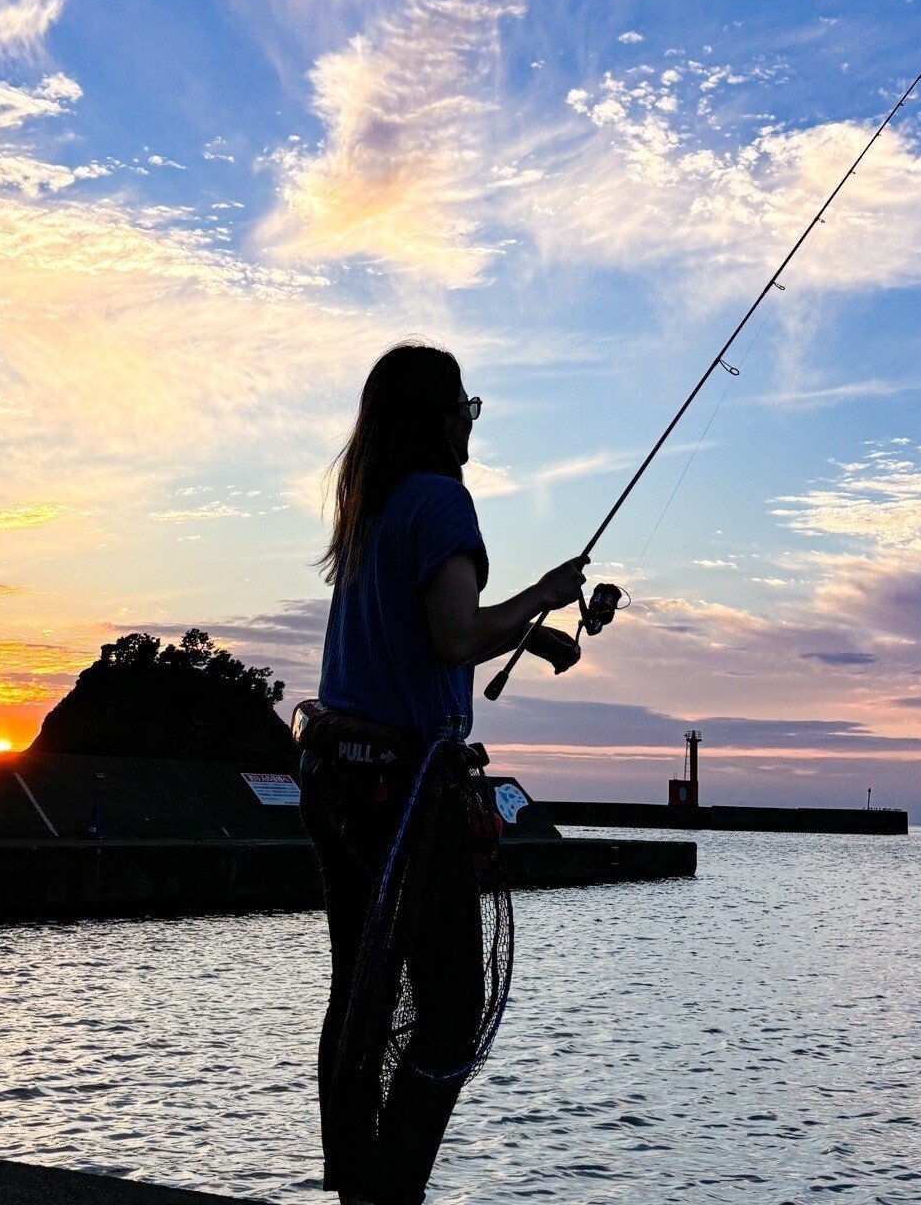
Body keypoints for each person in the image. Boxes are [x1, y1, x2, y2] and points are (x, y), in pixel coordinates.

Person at [298, 341, 586, 1205]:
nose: (470, 418)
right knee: (452, 1011)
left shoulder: (371, 513)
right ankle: (391, 1193)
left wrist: (524, 632)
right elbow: (454, 637)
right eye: (464, 403)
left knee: (359, 997)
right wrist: (541, 593)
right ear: (436, 416)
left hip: (335, 779)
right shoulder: (442, 502)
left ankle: (355, 1185)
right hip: (405, 794)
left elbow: (420, 633)